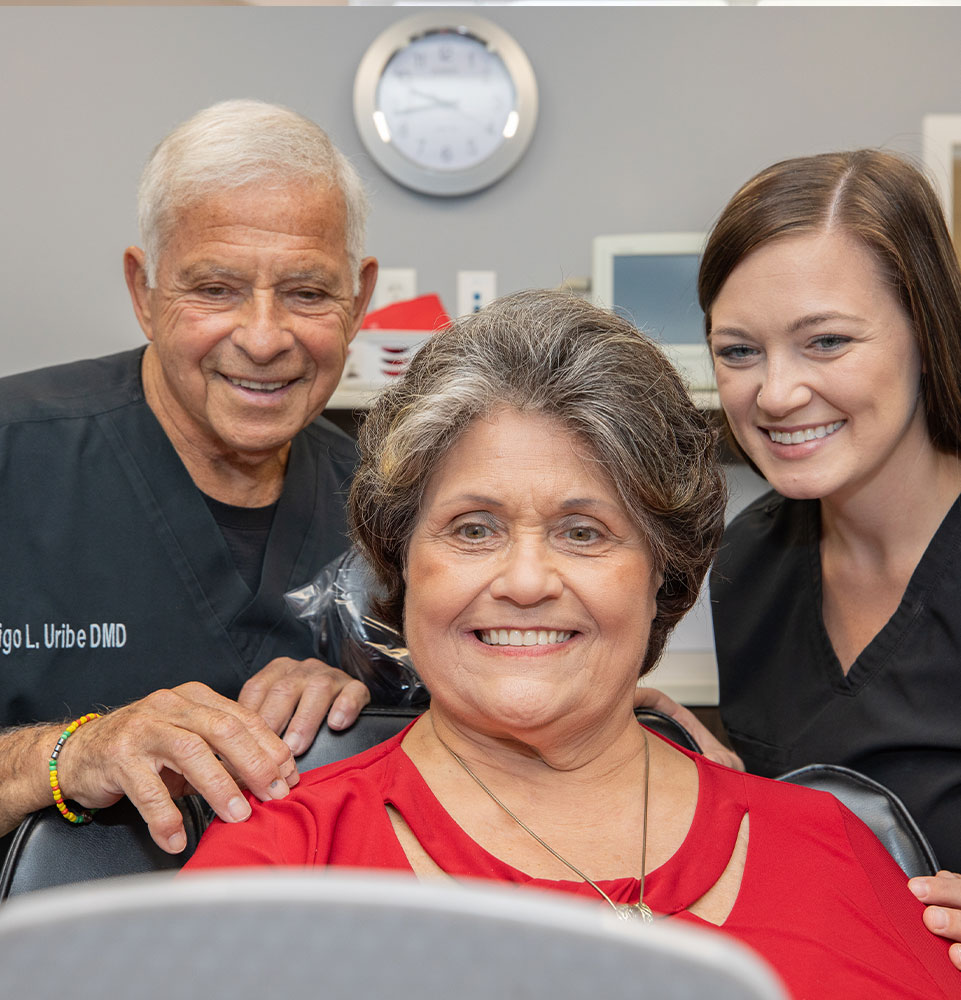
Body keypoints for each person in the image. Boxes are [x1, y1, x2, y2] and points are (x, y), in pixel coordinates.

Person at [184, 290, 958, 998]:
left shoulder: (833, 849)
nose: (526, 581)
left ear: (661, 571)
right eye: (473, 529)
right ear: (402, 563)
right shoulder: (280, 863)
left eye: (582, 532)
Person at [0, 100, 378, 856]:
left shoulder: (389, 508)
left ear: (358, 300)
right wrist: (67, 755)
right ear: (143, 292)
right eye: (215, 289)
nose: (264, 339)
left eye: (307, 292)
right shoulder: (16, 453)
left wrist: (367, 721)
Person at [637, 149, 961, 965]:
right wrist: (721, 782)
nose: (775, 394)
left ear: (927, 334)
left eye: (825, 341)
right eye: (738, 351)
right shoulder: (751, 559)